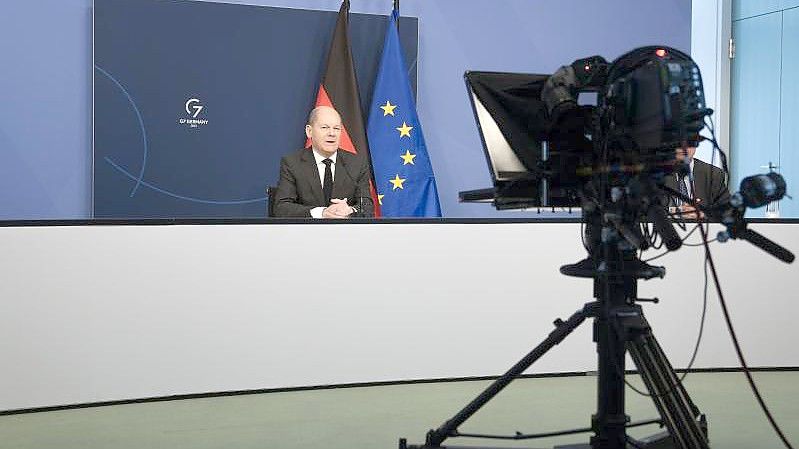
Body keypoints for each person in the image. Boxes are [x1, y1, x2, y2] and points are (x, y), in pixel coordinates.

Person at [273, 106, 374, 218]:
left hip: (345, 233)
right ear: (309, 131)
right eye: (325, 127)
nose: (332, 133)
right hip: (306, 233)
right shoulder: (292, 164)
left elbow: (367, 207)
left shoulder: (357, 164)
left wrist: (350, 210)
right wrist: (322, 213)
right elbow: (281, 208)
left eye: (336, 128)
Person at [664, 146, 729, 219]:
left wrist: (704, 214)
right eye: (679, 141)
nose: (684, 146)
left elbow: (728, 211)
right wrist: (676, 211)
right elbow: (650, 209)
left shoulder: (712, 174)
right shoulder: (656, 173)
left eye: (689, 141)